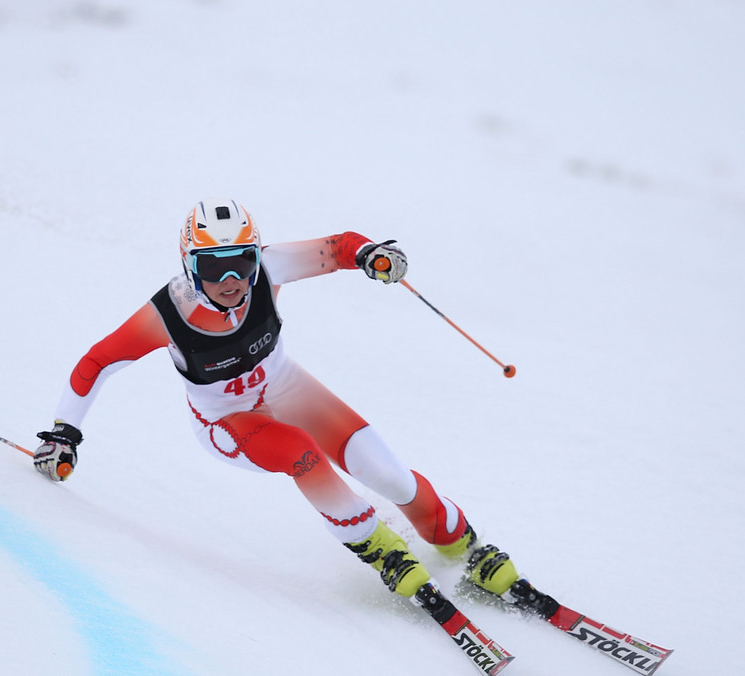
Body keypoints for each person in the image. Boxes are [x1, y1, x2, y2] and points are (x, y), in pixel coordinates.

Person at [32, 198, 519, 605]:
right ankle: (379, 548)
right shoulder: (167, 314)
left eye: (242, 262)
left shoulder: (269, 267)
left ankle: (465, 548)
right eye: (213, 267)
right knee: (299, 451)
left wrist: (372, 255)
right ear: (188, 266)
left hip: (287, 388)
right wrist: (63, 433)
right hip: (229, 422)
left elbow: (341, 247)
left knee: (387, 473)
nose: (232, 280)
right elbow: (96, 363)